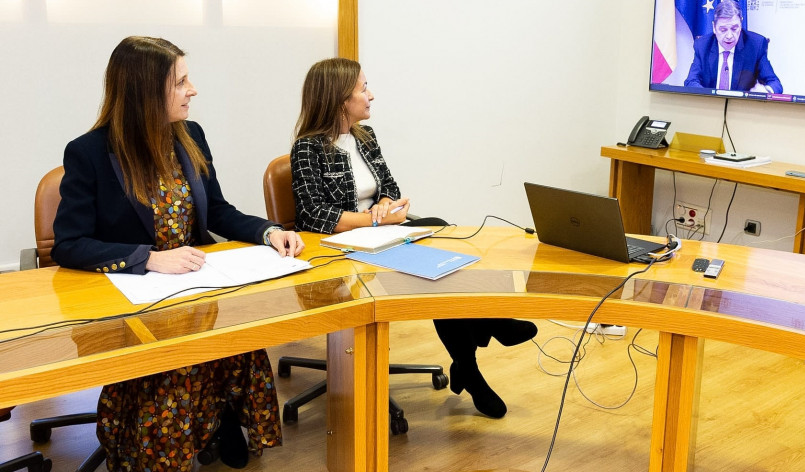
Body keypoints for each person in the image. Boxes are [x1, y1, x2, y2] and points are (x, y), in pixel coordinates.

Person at [52, 36, 305, 471]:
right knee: (173, 363)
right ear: (145, 91)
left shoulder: (190, 135)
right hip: (137, 295)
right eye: (181, 82)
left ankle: (218, 418)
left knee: (243, 337)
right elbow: (69, 244)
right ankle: (176, 438)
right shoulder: (90, 152)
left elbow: (219, 210)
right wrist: (148, 257)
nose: (193, 90)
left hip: (199, 282)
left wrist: (269, 231)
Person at [290, 57, 538, 419]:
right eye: (362, 88)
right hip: (339, 250)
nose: (370, 95)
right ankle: (484, 334)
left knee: (438, 228)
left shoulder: (366, 138)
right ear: (340, 97)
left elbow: (389, 187)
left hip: (378, 237)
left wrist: (389, 205)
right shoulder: (308, 148)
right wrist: (373, 221)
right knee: (431, 268)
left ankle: (470, 360)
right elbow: (313, 215)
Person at [684, 0, 783, 93]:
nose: (729, 36)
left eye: (734, 29)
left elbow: (775, 83)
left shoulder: (755, 45)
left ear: (741, 24)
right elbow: (691, 81)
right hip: (710, 106)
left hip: (741, 108)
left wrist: (766, 91)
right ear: (714, 27)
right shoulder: (702, 45)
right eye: (723, 30)